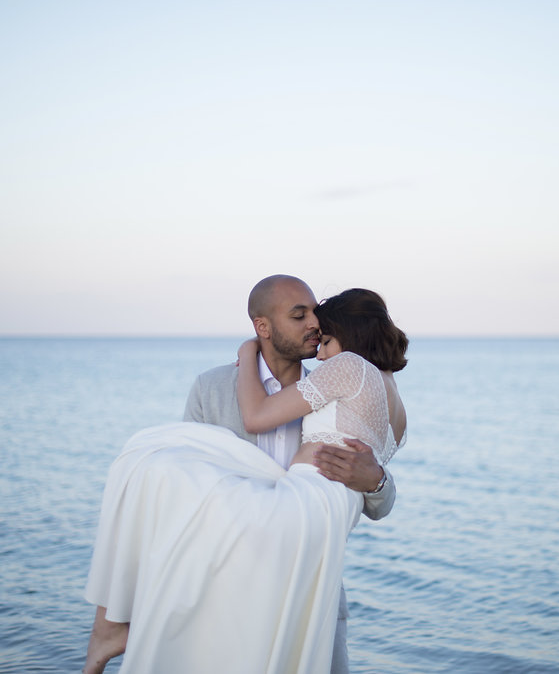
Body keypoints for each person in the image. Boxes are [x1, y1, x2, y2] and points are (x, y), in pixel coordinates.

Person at [81, 280, 407, 674]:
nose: (314, 327)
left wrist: (377, 480)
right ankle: (117, 617)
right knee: (157, 466)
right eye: (299, 315)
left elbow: (378, 498)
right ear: (262, 326)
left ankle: (112, 620)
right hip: (226, 585)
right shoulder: (212, 387)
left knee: (152, 460)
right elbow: (188, 502)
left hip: (307, 577)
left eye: (316, 318)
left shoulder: (338, 379)